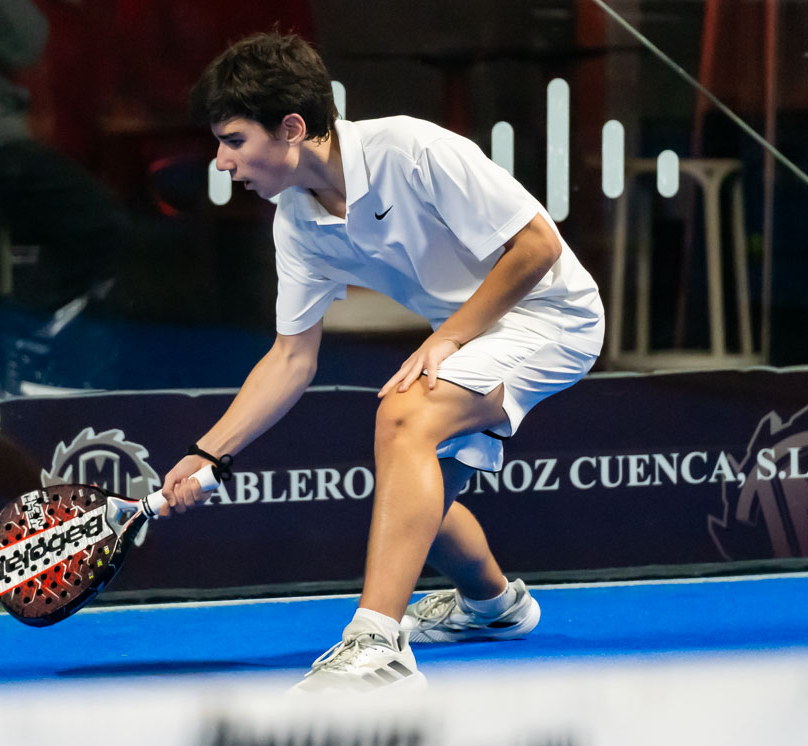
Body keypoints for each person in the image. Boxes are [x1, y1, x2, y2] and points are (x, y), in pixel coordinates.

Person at [161, 32, 604, 693]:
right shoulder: (296, 222)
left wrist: (448, 338)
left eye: (233, 140)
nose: (222, 161)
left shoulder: (413, 150)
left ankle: (377, 647)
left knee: (403, 414)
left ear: (291, 128)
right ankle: (494, 606)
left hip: (553, 317)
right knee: (418, 493)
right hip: (475, 336)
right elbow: (291, 358)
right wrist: (208, 452)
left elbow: (537, 247)